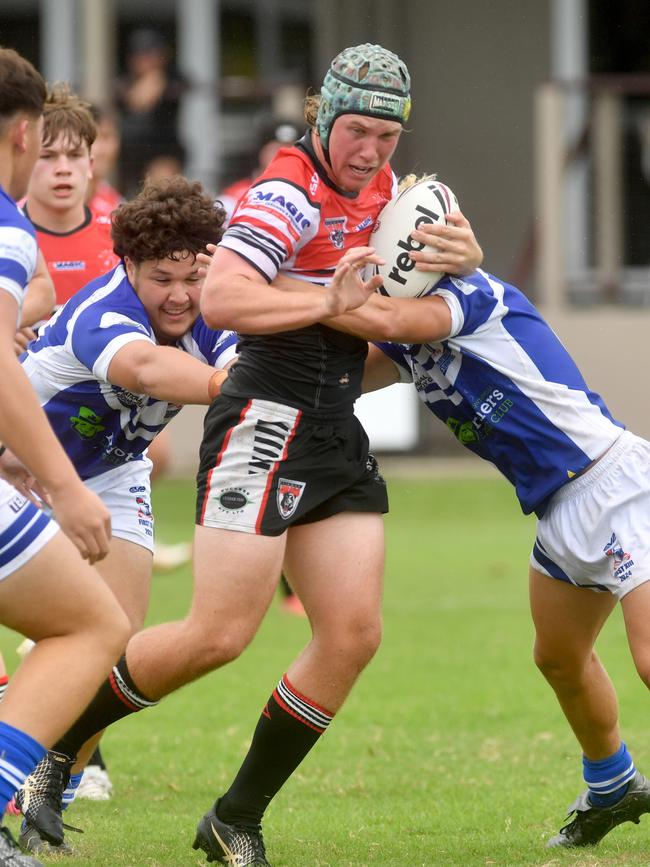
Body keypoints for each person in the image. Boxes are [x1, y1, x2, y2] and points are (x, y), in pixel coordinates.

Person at [14, 44, 482, 866]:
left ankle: (236, 815)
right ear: (324, 115)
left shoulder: (383, 194)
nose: (371, 150)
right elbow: (226, 294)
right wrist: (329, 302)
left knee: (352, 634)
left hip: (331, 420)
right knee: (218, 632)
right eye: (358, 129)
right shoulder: (285, 192)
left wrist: (459, 267)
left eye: (388, 134)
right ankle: (58, 747)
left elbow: (394, 312)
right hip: (264, 416)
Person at [302, 209, 650, 850]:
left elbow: (381, 318)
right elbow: (343, 375)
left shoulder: (475, 295)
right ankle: (612, 785)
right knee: (559, 659)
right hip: (558, 509)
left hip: (619, 486)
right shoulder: (408, 339)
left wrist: (270, 289)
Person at [5, 175, 236, 854]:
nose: (181, 295)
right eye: (162, 277)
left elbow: (242, 355)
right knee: (75, 635)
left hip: (110, 472)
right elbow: (147, 371)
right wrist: (237, 384)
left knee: (114, 638)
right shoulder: (101, 313)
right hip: (19, 467)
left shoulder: (210, 306)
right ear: (127, 265)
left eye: (195, 275)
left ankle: (50, 788)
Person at [0, 45, 131, 867]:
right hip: (49, 465)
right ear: (22, 131)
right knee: (94, 622)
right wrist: (61, 483)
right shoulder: (7, 226)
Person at [114, 29, 186, 198]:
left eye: (150, 55)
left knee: (161, 198)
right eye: (140, 55)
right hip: (128, 157)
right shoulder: (124, 81)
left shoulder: (172, 78)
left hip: (162, 151)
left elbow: (145, 98)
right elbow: (137, 100)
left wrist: (154, 78)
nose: (145, 60)